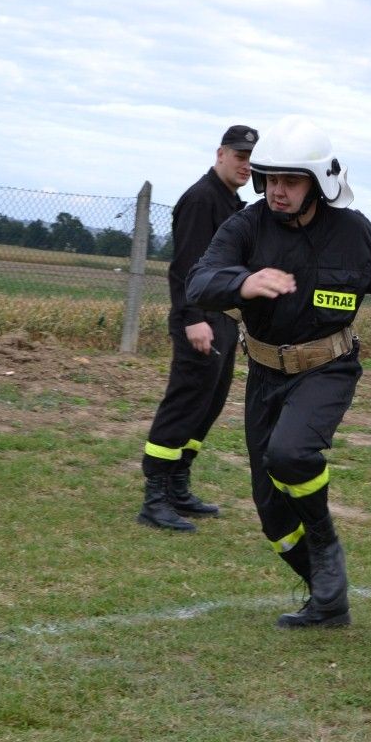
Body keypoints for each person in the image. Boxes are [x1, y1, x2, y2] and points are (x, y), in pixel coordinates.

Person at [186, 115, 371, 628]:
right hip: (264, 372)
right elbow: (200, 280)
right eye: (271, 179)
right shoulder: (245, 226)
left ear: (320, 182)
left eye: (291, 181)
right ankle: (327, 599)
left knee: (291, 452)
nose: (277, 191)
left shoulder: (352, 231)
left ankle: (325, 545)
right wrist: (243, 282)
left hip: (328, 367)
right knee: (273, 516)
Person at [137, 125, 260, 533]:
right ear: (220, 154)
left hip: (222, 319)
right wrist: (193, 319)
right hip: (200, 320)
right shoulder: (201, 199)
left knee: (208, 406)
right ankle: (155, 497)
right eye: (239, 156)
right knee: (185, 403)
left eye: (250, 158)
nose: (245, 165)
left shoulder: (230, 201)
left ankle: (177, 486)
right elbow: (186, 267)